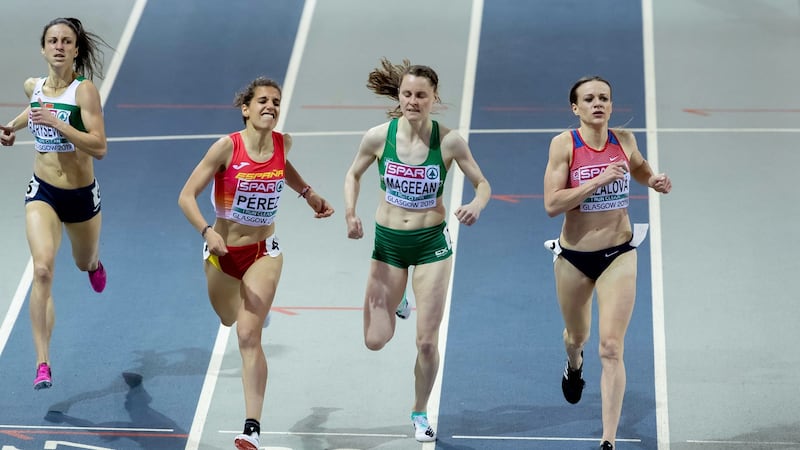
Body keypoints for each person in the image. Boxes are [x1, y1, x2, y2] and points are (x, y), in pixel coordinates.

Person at [178, 76, 334, 450]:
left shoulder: (283, 143)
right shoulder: (226, 149)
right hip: (222, 253)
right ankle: (243, 304)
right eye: (262, 101)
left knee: (248, 336)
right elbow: (186, 196)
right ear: (246, 108)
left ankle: (252, 428)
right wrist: (206, 232)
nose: (271, 106)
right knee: (227, 318)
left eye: (276, 102)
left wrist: (308, 193)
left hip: (264, 252)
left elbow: (285, 168)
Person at [343, 58, 491, 443]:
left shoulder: (450, 140)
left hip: (430, 246)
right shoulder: (378, 136)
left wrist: (476, 205)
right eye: (406, 94)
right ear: (399, 95)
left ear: (433, 98)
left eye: (420, 95)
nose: (412, 101)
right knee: (375, 340)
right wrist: (350, 213)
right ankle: (398, 304)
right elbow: (353, 174)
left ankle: (420, 412)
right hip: (388, 245)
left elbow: (483, 184)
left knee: (427, 341)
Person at [542, 75, 672, 450]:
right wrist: (595, 182)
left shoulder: (624, 141)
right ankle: (573, 363)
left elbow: (640, 168)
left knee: (612, 347)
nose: (597, 103)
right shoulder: (563, 145)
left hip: (619, 252)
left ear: (611, 106)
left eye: (604, 98)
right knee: (576, 337)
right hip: (574, 257)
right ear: (575, 108)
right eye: (589, 98)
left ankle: (608, 440)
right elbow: (552, 205)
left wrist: (654, 181)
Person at [0, 17, 110, 391]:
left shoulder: (84, 92)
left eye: (67, 41)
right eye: (53, 40)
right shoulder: (34, 86)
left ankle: (94, 264)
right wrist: (12, 128)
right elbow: (34, 109)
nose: (59, 46)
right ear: (44, 48)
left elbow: (100, 146)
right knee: (43, 270)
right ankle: (42, 363)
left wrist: (59, 124)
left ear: (76, 49)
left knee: (83, 262)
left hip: (80, 196)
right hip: (43, 191)